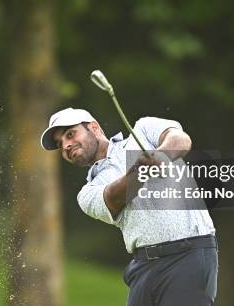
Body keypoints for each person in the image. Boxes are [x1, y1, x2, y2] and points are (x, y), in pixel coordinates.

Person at [40, 107, 218, 306]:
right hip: (143, 267)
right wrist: (140, 170)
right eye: (60, 143)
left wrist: (162, 156)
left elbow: (181, 140)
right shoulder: (88, 193)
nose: (66, 145)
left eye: (70, 134)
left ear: (94, 128)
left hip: (188, 255)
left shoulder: (142, 131)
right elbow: (114, 198)